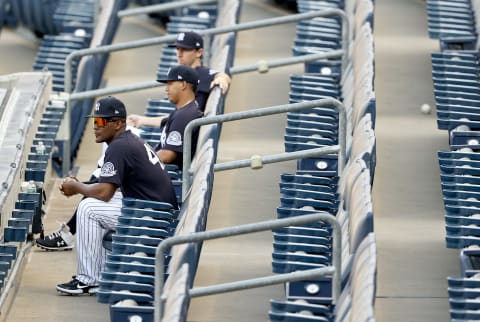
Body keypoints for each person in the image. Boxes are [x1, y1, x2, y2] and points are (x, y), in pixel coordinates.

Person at [55, 96, 178, 295]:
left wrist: (77, 187)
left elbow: (104, 192)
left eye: (101, 122)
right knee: (92, 201)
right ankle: (100, 274)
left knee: (89, 208)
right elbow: (107, 188)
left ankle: (89, 279)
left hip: (154, 216)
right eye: (94, 121)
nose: (96, 126)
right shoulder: (126, 141)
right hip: (152, 207)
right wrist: (79, 186)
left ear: (118, 123)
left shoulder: (120, 147)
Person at [127, 31, 230, 129]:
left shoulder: (200, 74)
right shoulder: (187, 75)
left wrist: (222, 79)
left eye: (185, 49)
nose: (179, 53)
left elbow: (222, 76)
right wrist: (142, 120)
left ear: (199, 52)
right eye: (178, 49)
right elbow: (174, 119)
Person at [155, 64, 203, 168]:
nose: (166, 89)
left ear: (183, 84)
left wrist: (140, 162)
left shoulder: (185, 115)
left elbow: (167, 155)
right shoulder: (185, 109)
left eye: (170, 83)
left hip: (172, 174)